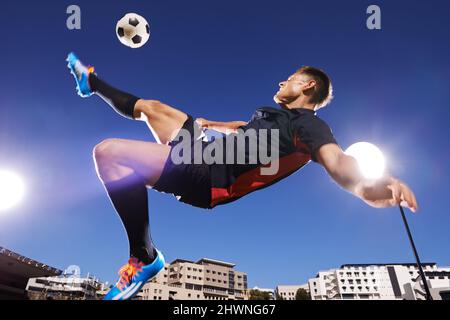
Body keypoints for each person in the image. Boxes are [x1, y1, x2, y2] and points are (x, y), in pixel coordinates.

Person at [66, 52, 418, 300]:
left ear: (308, 85)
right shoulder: (273, 117)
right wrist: (209, 124)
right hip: (202, 152)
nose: (282, 81)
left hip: (209, 176)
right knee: (154, 108)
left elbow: (336, 160)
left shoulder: (308, 126)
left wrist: (365, 185)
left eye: (291, 78)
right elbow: (243, 130)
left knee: (109, 153)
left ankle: (143, 256)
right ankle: (91, 83)